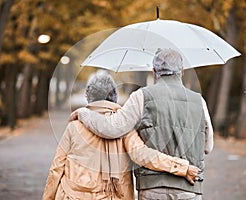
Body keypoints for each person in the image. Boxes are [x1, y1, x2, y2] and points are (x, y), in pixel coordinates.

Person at [73, 49, 214, 200]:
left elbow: (112, 128)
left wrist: (84, 113)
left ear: (154, 71)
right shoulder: (199, 101)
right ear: (182, 71)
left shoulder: (141, 96)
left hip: (152, 187)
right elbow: (207, 147)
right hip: (189, 187)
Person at [42, 71, 200, 200]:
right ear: (114, 96)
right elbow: (144, 156)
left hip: (72, 196)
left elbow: (56, 169)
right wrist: (182, 167)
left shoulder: (74, 127)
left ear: (88, 97)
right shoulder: (125, 128)